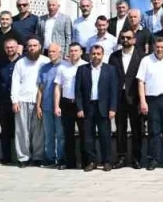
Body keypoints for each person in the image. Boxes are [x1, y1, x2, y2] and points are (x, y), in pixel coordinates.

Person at [136, 36, 163, 171]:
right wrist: (143, 101)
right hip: (152, 99)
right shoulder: (146, 60)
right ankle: (153, 159)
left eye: (162, 47)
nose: (159, 49)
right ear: (153, 47)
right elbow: (141, 82)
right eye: (157, 47)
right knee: (153, 131)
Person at [76, 42, 118, 171]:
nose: (96, 56)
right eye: (93, 53)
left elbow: (114, 91)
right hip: (88, 107)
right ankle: (91, 161)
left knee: (105, 136)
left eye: (98, 54)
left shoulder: (110, 70)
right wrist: (80, 108)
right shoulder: (82, 69)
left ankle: (107, 161)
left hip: (103, 107)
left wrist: (112, 108)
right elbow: (78, 91)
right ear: (89, 55)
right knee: (88, 137)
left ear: (103, 55)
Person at [110, 29, 146, 168]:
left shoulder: (142, 56)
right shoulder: (114, 57)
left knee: (137, 129)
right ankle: (121, 157)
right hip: (119, 97)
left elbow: (144, 79)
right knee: (120, 128)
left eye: (128, 37)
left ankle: (136, 158)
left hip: (135, 97)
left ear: (134, 40)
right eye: (123, 37)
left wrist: (143, 99)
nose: (125, 40)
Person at [12, 38, 45, 165]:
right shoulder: (20, 63)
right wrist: (15, 101)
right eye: (30, 46)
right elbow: (15, 82)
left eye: (35, 45)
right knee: (22, 131)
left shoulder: (45, 61)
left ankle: (37, 157)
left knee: (38, 131)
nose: (32, 48)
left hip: (40, 101)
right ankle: (23, 157)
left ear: (40, 47)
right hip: (22, 100)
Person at [53, 43, 84, 169]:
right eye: (71, 51)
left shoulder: (86, 65)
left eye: (76, 50)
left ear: (81, 52)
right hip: (66, 104)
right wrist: (56, 106)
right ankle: (70, 162)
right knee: (68, 134)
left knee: (84, 133)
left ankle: (85, 161)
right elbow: (57, 87)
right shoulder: (62, 67)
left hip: (81, 104)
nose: (73, 53)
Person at [36, 43, 64, 167]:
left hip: (60, 106)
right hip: (46, 105)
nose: (51, 54)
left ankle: (61, 157)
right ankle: (50, 157)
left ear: (59, 52)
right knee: (49, 134)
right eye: (49, 52)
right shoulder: (44, 68)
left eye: (54, 51)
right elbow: (40, 88)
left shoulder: (65, 66)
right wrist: (38, 105)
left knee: (61, 134)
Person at [0, 38, 20, 164]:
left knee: (20, 130)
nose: (10, 49)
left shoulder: (23, 62)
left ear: (17, 47)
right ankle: (6, 157)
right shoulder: (0, 63)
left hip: (19, 101)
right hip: (4, 101)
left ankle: (22, 157)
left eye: (12, 47)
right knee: (5, 131)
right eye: (7, 47)